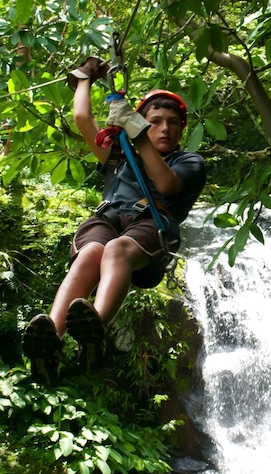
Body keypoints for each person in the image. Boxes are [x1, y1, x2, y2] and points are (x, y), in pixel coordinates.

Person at [21, 57, 206, 381]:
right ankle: (52, 340)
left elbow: (165, 184)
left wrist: (137, 131)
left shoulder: (188, 161)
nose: (165, 128)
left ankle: (95, 327)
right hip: (107, 218)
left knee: (116, 250)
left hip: (151, 225)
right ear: (145, 123)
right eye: (156, 121)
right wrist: (84, 79)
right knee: (91, 253)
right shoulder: (120, 154)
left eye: (173, 123)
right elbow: (82, 118)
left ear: (181, 129)